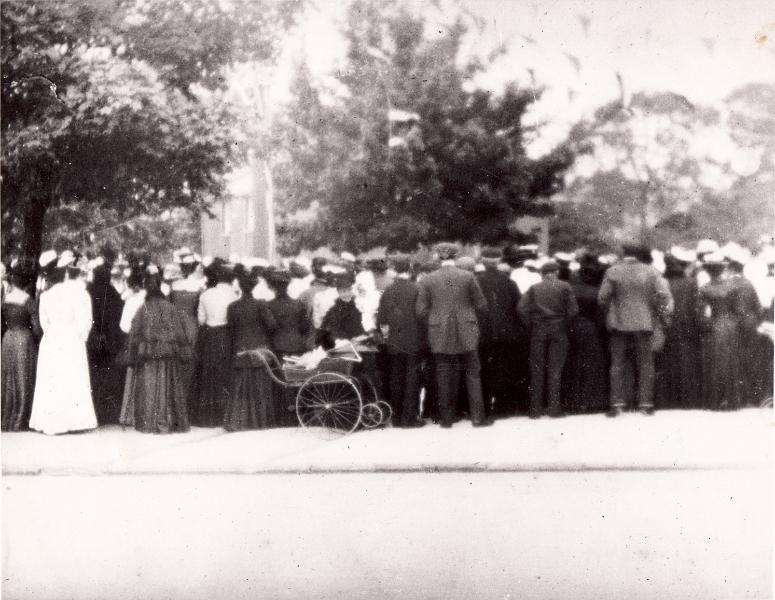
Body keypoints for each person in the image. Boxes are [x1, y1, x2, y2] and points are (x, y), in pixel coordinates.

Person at [416, 242, 490, 428]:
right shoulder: (468, 276)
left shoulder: (428, 279)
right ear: (455, 257)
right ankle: (477, 418)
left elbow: (421, 311)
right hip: (467, 330)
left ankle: (447, 419)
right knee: (472, 373)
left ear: (438, 257)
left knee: (443, 374)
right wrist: (470, 317)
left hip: (440, 331)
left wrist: (436, 320)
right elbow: (482, 305)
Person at [598, 244, 673, 417]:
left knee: (617, 363)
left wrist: (611, 311)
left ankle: (617, 404)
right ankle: (646, 404)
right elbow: (663, 295)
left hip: (618, 323)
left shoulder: (612, 271)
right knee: (646, 364)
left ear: (624, 254)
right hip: (644, 322)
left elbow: (602, 298)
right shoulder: (651, 271)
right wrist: (654, 311)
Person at [29, 251, 97, 435]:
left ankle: (51, 421)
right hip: (71, 337)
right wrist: (81, 338)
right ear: (67, 272)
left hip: (52, 338)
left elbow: (44, 323)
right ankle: (75, 422)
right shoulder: (78, 293)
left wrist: (53, 332)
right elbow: (85, 321)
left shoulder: (45, 295)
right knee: (72, 377)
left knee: (53, 379)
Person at [124, 265, 192, 433]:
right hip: (169, 354)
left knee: (149, 387)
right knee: (169, 387)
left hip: (148, 355)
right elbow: (181, 333)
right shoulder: (170, 307)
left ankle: (149, 421)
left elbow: (134, 333)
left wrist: (132, 354)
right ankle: (170, 420)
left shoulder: (143, 308)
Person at [518, 260, 578, 418]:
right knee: (555, 369)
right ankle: (554, 408)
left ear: (542, 274)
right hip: (559, 329)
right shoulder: (565, 287)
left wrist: (530, 324)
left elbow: (521, 308)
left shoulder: (534, 288)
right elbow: (573, 310)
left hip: (539, 329)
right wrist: (564, 323)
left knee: (537, 369)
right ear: (556, 272)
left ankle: (535, 409)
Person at [224, 269, 278, 431]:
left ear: (240, 287)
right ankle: (260, 421)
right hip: (259, 350)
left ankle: (240, 421)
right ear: (253, 287)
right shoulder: (261, 304)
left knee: (241, 387)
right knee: (260, 386)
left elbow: (231, 329)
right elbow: (272, 326)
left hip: (240, 349)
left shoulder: (233, 307)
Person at [377, 255, 424, 427]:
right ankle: (409, 417)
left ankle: (396, 417)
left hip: (395, 341)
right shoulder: (417, 289)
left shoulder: (388, 291)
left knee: (396, 377)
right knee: (413, 378)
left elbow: (381, 318)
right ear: (410, 269)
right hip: (414, 339)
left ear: (395, 270)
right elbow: (422, 315)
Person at [476, 246, 524, 419]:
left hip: (483, 332)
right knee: (504, 369)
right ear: (499, 261)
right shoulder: (509, 282)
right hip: (506, 332)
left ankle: (486, 406)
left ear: (482, 261)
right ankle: (503, 407)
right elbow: (519, 307)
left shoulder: (476, 280)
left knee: (484, 369)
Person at [192, 260, 237, 426]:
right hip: (226, 334)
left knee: (208, 373)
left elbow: (201, 320)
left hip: (210, 335)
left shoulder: (205, 295)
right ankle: (225, 413)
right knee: (225, 372)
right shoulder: (234, 295)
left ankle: (208, 415)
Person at [564, 253, 610, 413]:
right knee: (592, 365)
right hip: (590, 330)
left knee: (572, 364)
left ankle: (571, 400)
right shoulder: (595, 292)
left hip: (571, 328)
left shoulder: (570, 289)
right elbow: (600, 316)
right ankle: (590, 401)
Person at [267, 270, 313, 426]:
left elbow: (269, 328)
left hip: (278, 346)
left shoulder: (270, 306)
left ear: (273, 287)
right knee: (298, 379)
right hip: (297, 345)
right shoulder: (298, 304)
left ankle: (283, 417)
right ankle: (299, 415)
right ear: (288, 286)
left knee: (281, 380)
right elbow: (305, 326)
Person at [697, 254, 741, 410]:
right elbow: (738, 311)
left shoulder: (704, 289)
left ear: (708, 271)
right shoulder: (732, 287)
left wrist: (707, 325)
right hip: (730, 326)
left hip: (715, 326)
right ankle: (731, 400)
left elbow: (701, 314)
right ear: (722, 270)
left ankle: (715, 401)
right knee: (730, 362)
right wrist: (734, 323)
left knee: (714, 363)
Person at [87, 261, 125, 424]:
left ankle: (96, 411)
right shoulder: (114, 294)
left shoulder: (88, 292)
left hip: (93, 339)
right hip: (110, 341)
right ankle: (110, 413)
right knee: (109, 376)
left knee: (94, 375)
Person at [1, 258, 38, 431]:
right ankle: (20, 419)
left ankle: (5, 418)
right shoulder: (28, 300)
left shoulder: (5, 299)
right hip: (23, 338)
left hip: (8, 337)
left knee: (8, 378)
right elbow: (37, 326)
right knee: (23, 377)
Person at [727, 253, 763, 406]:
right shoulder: (749, 284)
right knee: (751, 360)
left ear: (732, 268)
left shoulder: (729, 284)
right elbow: (758, 308)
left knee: (736, 360)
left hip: (736, 324)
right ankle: (753, 398)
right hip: (751, 323)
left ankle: (739, 397)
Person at [319, 273, 365, 345]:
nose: (347, 294)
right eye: (344, 291)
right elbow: (334, 331)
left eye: (349, 290)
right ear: (338, 292)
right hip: (344, 346)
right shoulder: (334, 311)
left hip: (360, 342)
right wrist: (349, 339)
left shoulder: (357, 305)